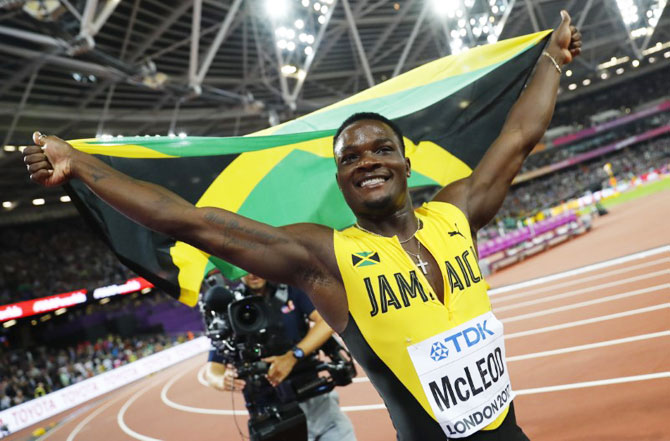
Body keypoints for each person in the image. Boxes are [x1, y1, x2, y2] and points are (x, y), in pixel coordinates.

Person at [22, 11, 581, 440]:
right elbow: (192, 223)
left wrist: (553, 59)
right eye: (350, 158)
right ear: (340, 179)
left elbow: (517, 139)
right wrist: (83, 165)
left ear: (405, 161)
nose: (367, 161)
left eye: (381, 149)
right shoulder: (326, 257)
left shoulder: (456, 212)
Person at [203, 273, 356, 441]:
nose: (252, 273)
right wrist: (222, 380)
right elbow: (212, 370)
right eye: (244, 269)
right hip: (272, 416)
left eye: (254, 266)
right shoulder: (232, 307)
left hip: (317, 403)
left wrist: (292, 356)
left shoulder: (291, 290)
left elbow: (327, 321)